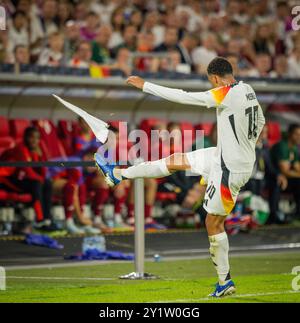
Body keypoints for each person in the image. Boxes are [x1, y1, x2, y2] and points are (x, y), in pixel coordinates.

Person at [95, 57, 265, 297]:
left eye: (211, 82)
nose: (212, 85)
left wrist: (146, 86)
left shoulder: (224, 93)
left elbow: (184, 96)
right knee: (175, 161)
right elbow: (260, 122)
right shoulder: (247, 90)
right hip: (225, 157)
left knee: (213, 223)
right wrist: (244, 145)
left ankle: (224, 281)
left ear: (215, 78)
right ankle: (117, 173)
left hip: (230, 167)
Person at [269, 124, 300, 223]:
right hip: (273, 176)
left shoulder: (294, 148)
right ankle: (275, 215)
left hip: (286, 178)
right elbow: (284, 171)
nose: (299, 137)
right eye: (296, 134)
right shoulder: (282, 146)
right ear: (289, 134)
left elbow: (297, 168)